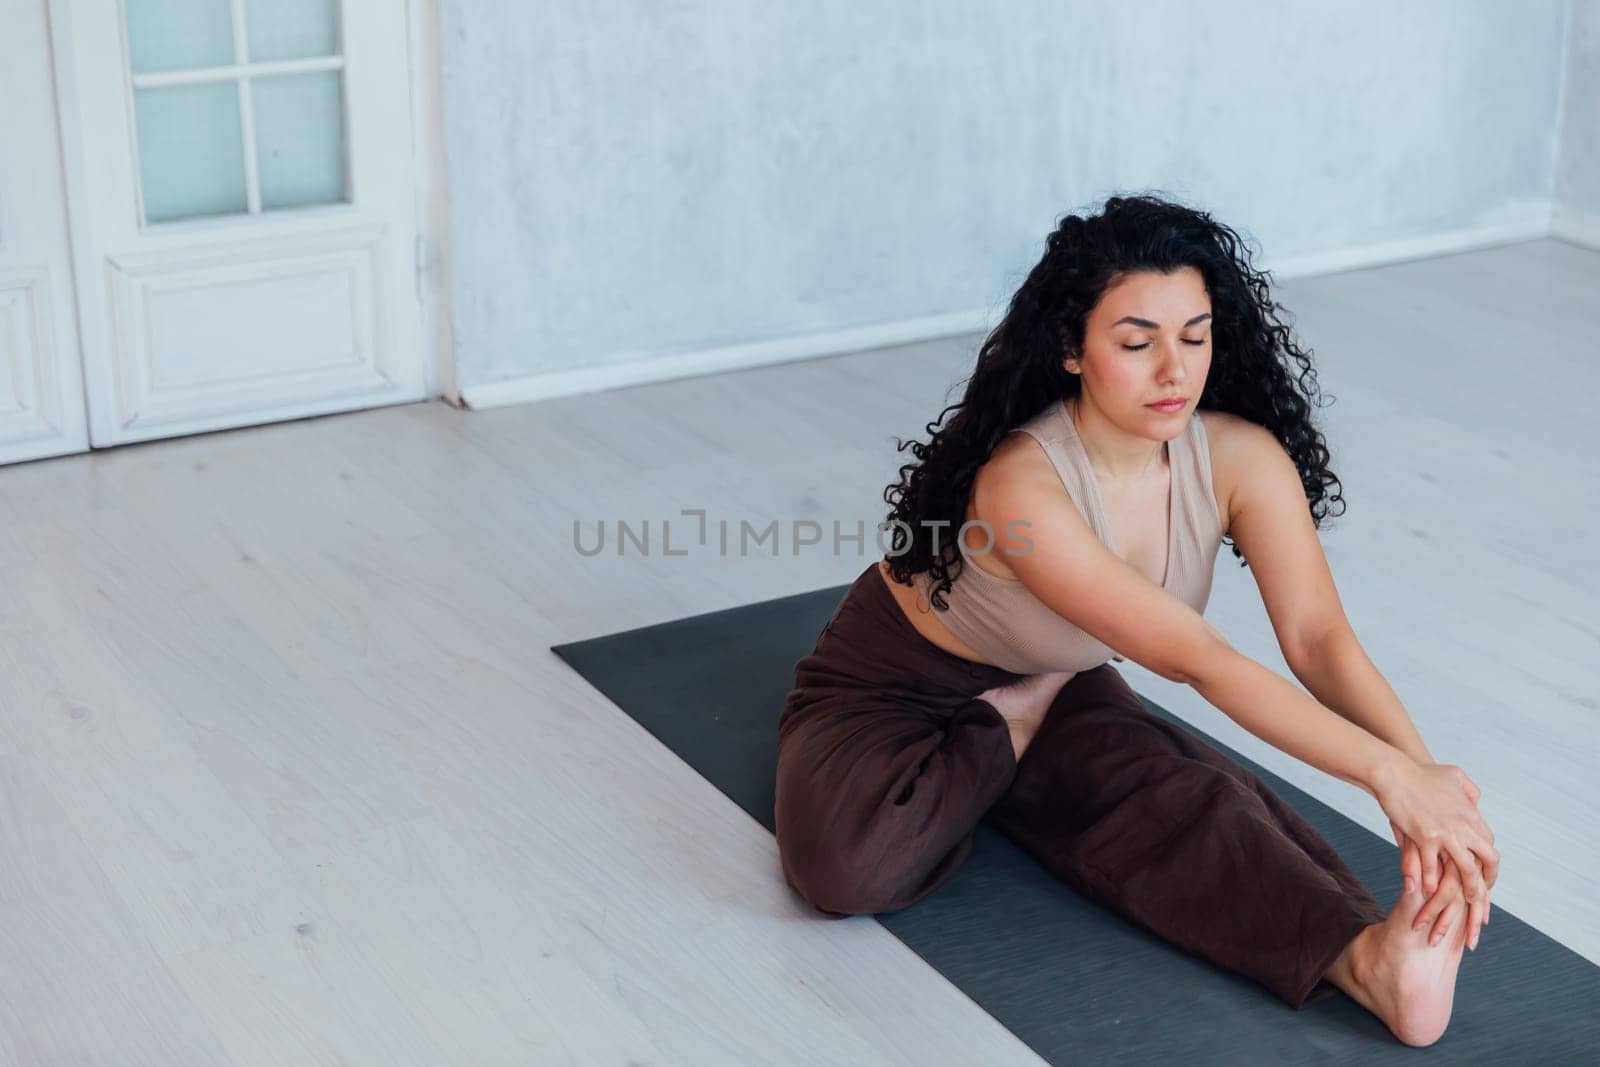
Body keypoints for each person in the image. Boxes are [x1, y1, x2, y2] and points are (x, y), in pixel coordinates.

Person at [773, 193, 1498, 1048]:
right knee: (848, 866)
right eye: (1136, 341)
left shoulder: (1238, 458)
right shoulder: (1021, 484)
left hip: (1060, 674)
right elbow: (1195, 658)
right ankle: (1015, 723)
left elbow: (1318, 641)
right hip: (893, 690)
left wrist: (1427, 786)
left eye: (1194, 336)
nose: (1174, 371)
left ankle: (1369, 960)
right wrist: (1384, 775)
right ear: (1073, 351)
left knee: (1184, 804)